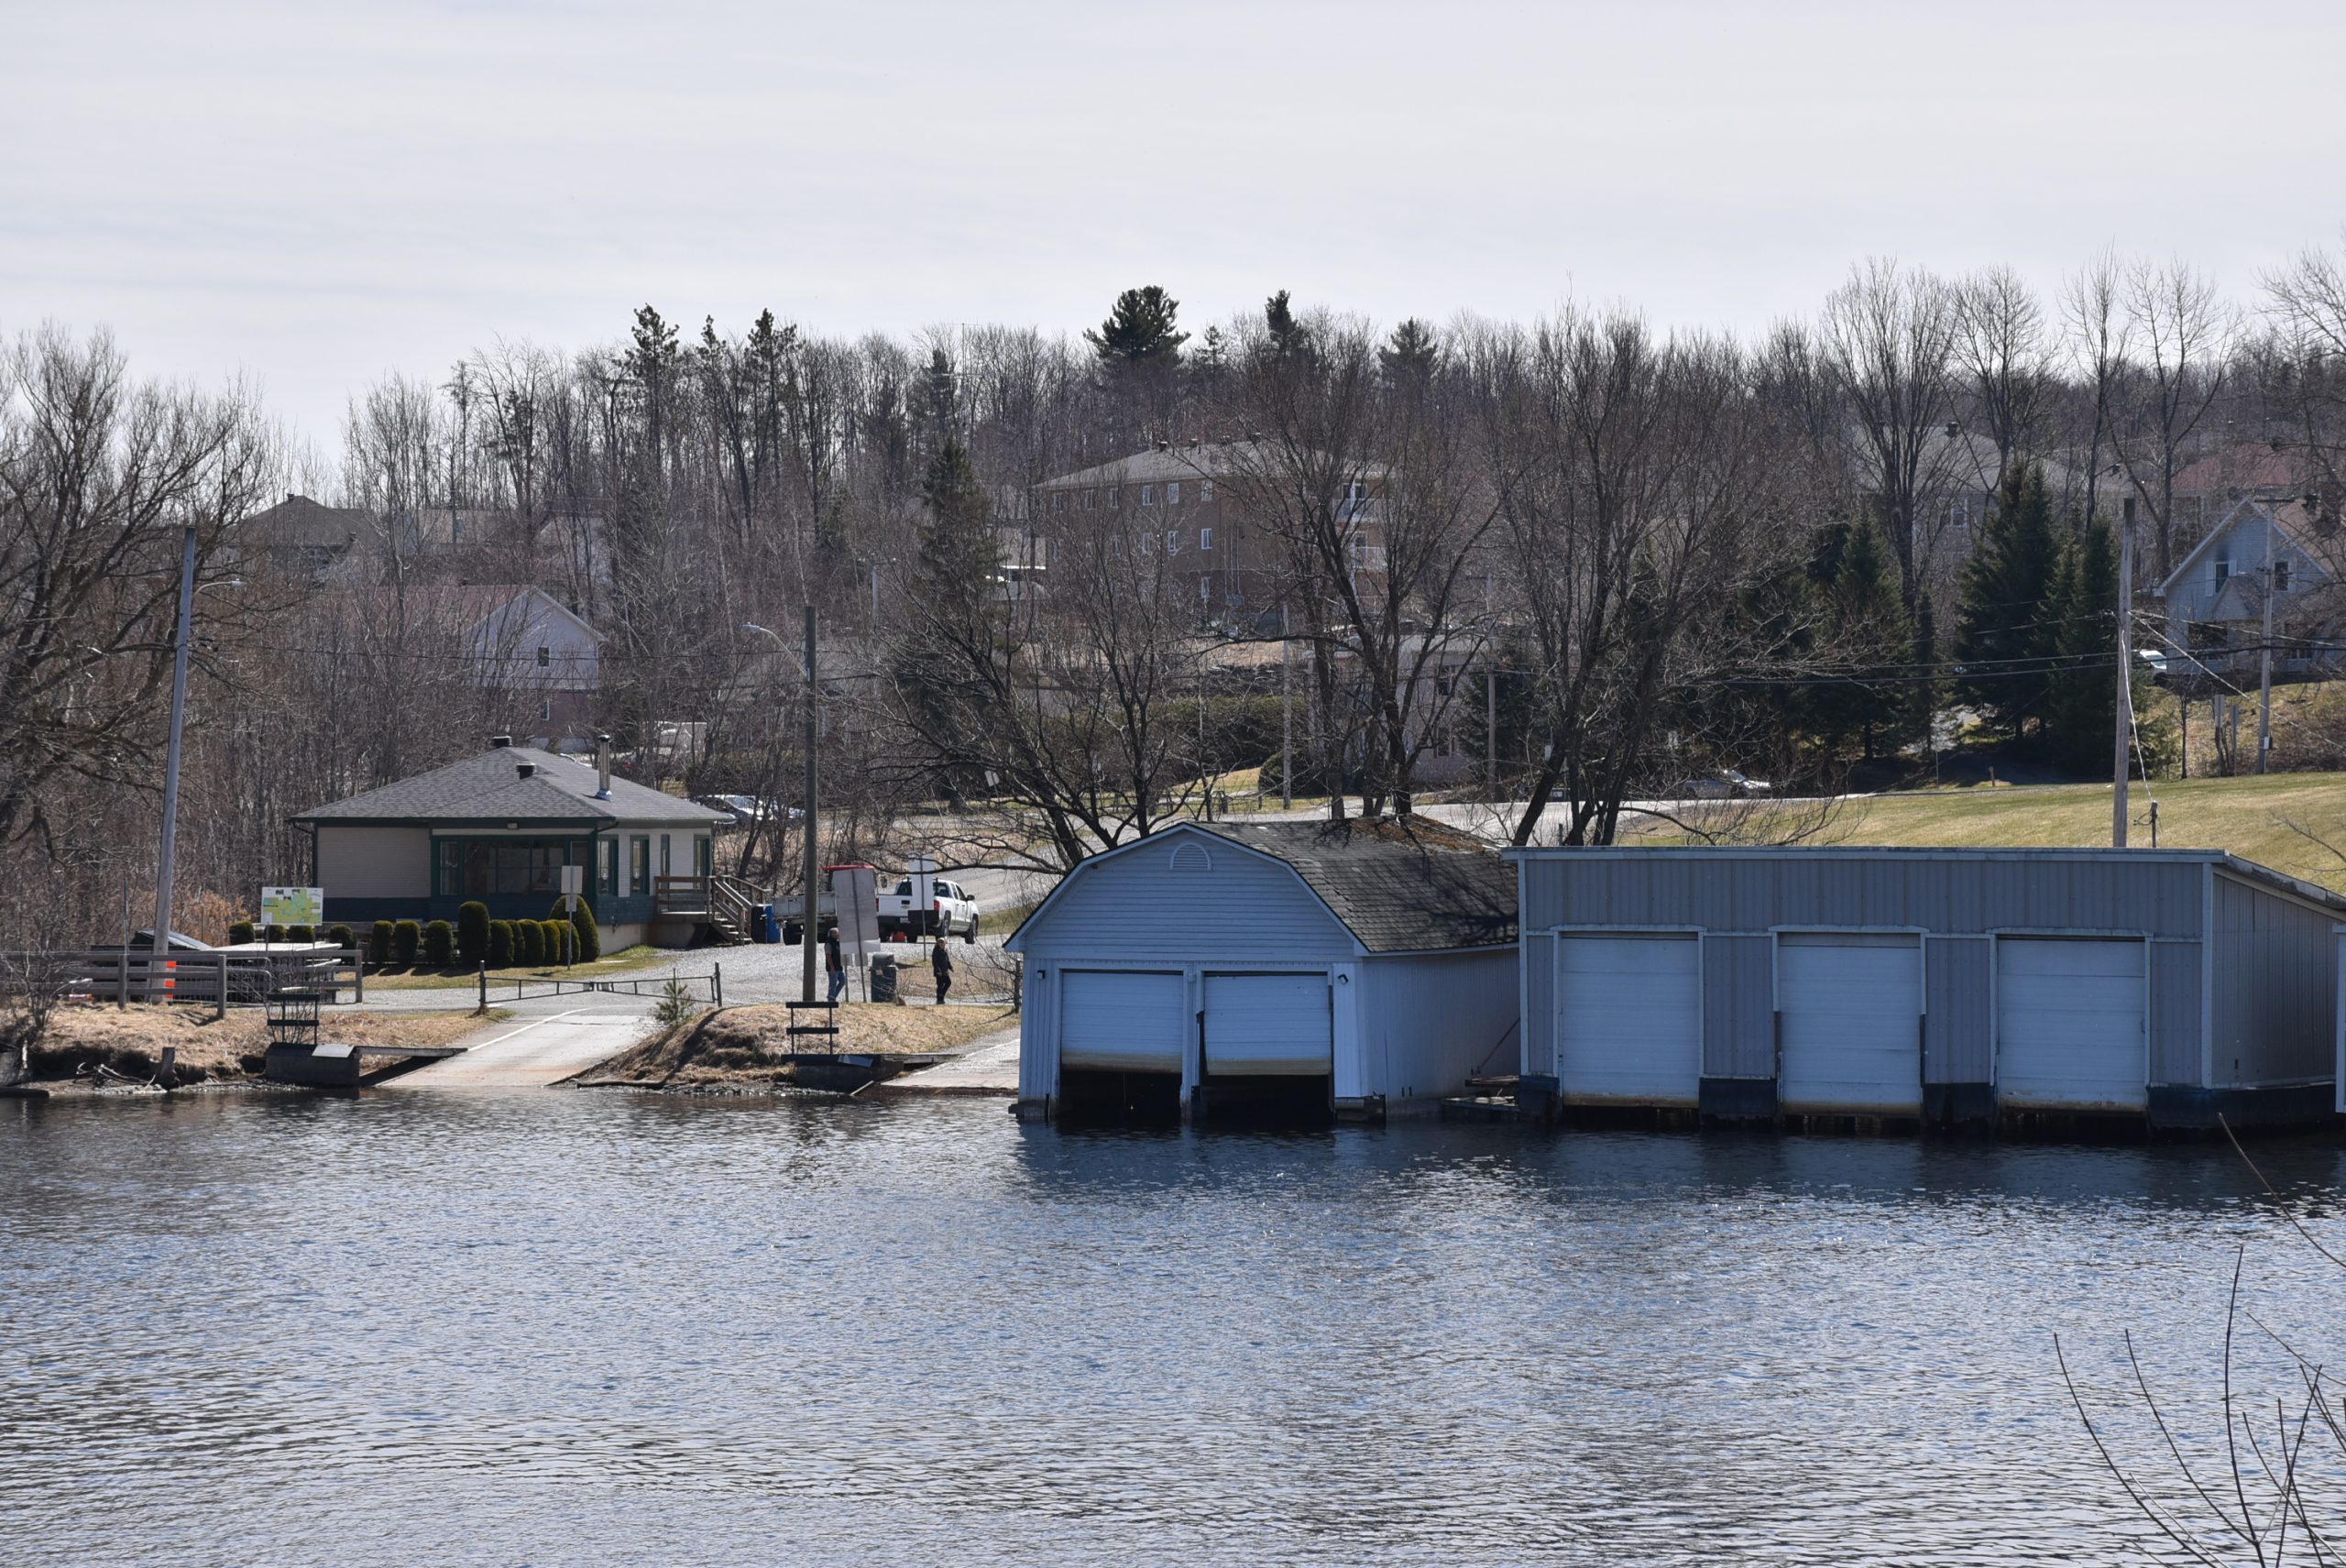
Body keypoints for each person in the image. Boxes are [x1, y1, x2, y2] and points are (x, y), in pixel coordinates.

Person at [824, 922, 846, 1003]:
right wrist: (832, 967)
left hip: (839, 966)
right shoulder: (829, 943)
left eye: (838, 932)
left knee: (843, 981)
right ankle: (831, 999)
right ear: (831, 934)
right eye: (836, 932)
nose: (838, 934)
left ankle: (833, 996)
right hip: (832, 968)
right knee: (832, 983)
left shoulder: (837, 942)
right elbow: (828, 956)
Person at [930, 933, 953, 1007]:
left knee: (948, 982)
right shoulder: (936, 951)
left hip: (945, 971)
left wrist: (950, 967)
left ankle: (942, 996)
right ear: (938, 943)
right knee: (940, 985)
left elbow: (947, 961)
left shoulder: (945, 951)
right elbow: (935, 962)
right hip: (939, 972)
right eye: (940, 943)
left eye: (943, 943)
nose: (941, 944)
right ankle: (939, 999)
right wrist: (938, 971)